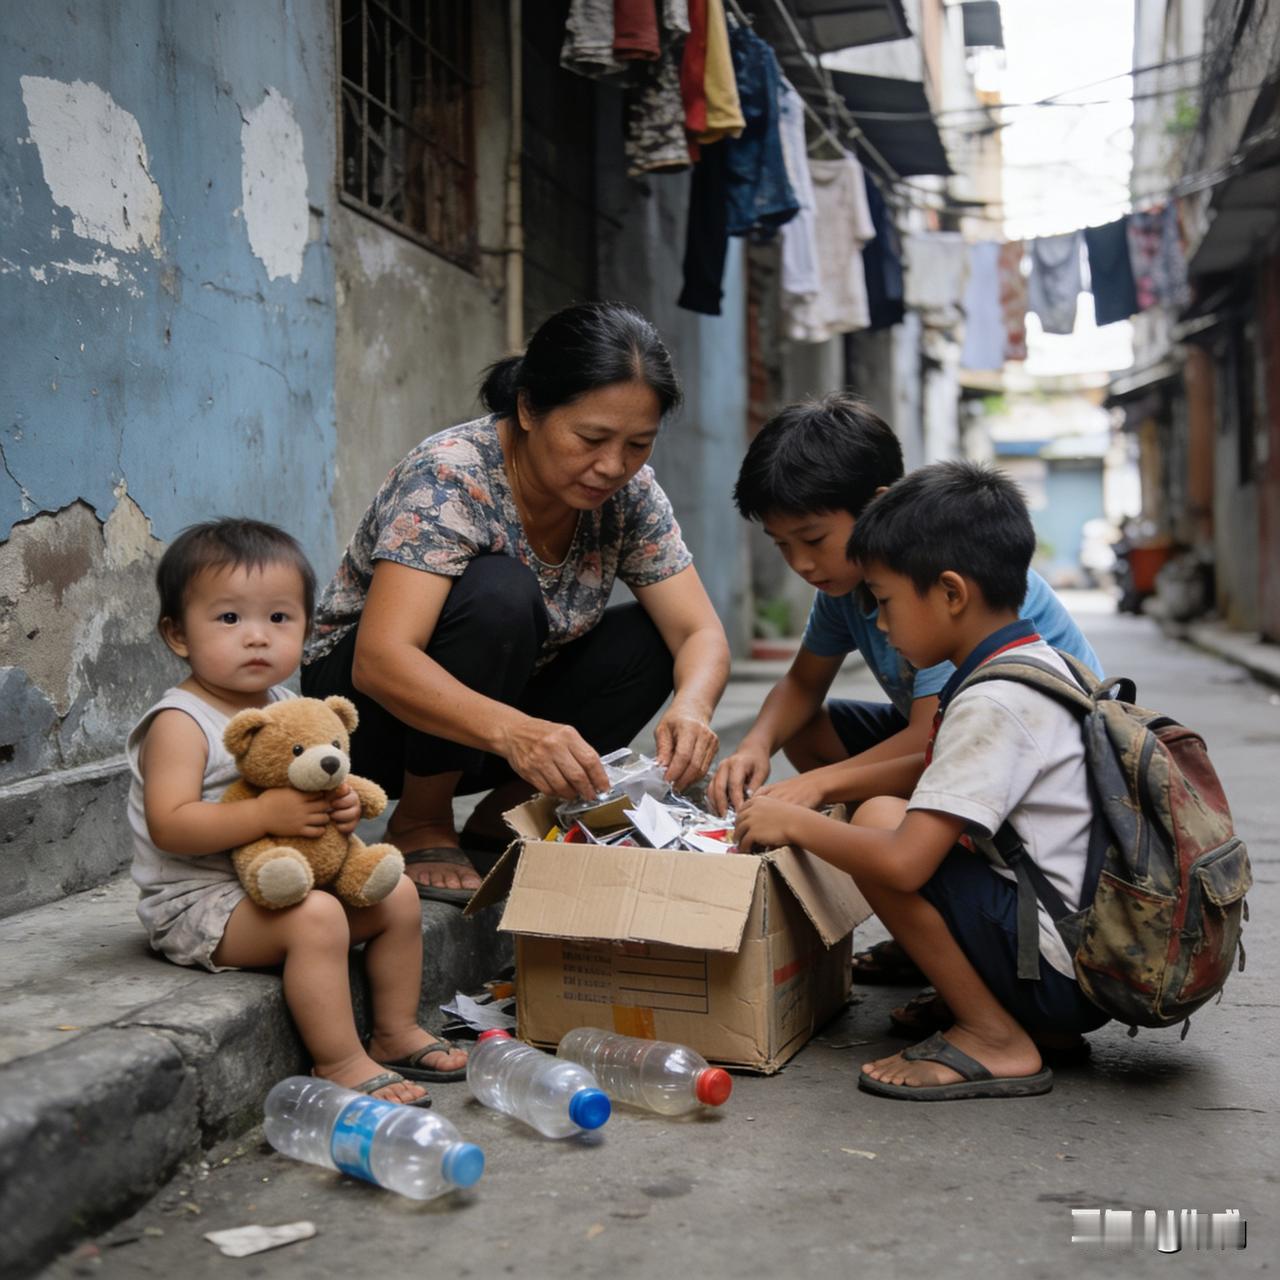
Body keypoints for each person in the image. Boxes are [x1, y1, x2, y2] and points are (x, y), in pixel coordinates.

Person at [302, 302, 730, 902]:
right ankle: (421, 820)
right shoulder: (451, 475)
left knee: (655, 640)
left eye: (638, 444)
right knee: (499, 593)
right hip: (365, 724)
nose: (612, 465)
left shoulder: (631, 494)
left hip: (498, 719)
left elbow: (698, 633)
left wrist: (693, 708)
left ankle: (502, 814)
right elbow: (380, 660)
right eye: (591, 438)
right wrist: (517, 734)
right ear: (528, 409)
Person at [734, 461, 1109, 1100]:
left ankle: (993, 1035)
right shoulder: (1034, 663)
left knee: (881, 821)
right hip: (1079, 959)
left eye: (885, 602)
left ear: (951, 594)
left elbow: (904, 863)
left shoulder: (993, 702)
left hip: (1062, 974)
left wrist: (797, 820)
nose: (879, 625)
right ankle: (1025, 1020)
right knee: (892, 822)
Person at [708, 394, 1101, 993]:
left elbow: (927, 745)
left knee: (879, 824)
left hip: (1031, 794)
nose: (802, 564)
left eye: (813, 538)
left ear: (878, 507)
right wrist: (754, 746)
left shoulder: (945, 596)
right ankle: (932, 918)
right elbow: (802, 683)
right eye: (782, 545)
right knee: (809, 729)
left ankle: (943, 928)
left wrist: (814, 791)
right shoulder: (850, 587)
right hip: (961, 745)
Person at [127, 519, 467, 1106]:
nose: (257, 637)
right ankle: (339, 1061)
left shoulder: (290, 706)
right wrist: (268, 816)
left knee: (400, 894)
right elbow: (171, 825)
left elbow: (319, 782)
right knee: (319, 918)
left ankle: (394, 1030)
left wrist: (340, 807)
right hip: (203, 906)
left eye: (279, 618)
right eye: (229, 618)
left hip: (288, 883)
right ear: (178, 633)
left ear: (307, 629)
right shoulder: (181, 722)